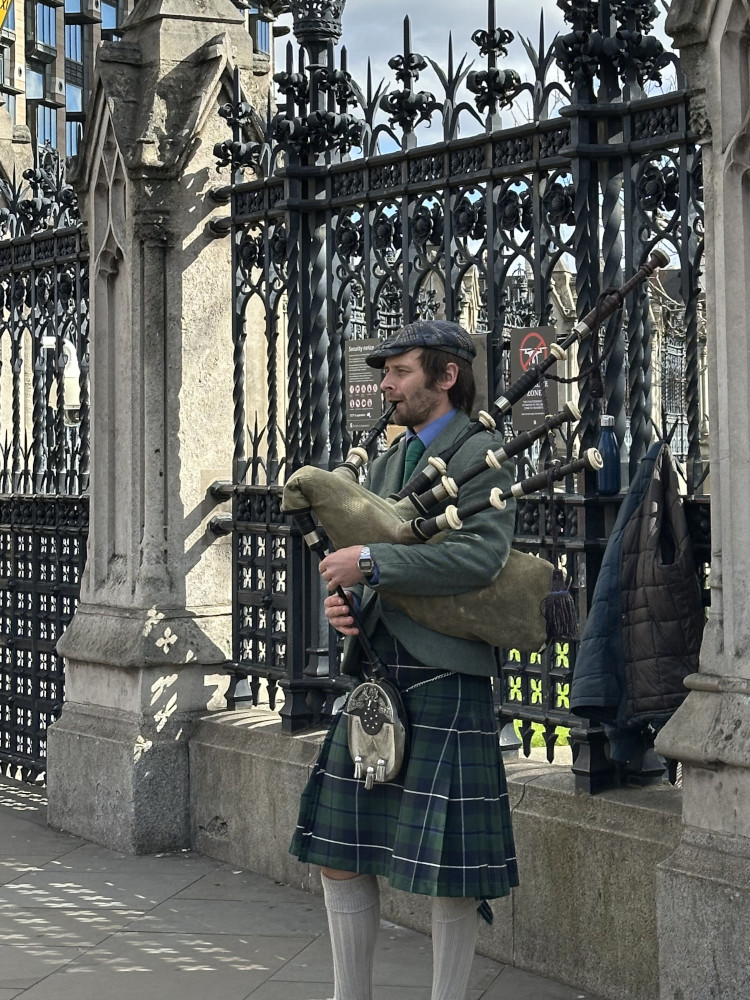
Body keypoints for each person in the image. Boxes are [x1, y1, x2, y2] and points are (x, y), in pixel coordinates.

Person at [289, 320, 519, 1000]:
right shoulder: (387, 462)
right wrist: (345, 614)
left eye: (399, 371)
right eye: (382, 371)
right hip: (379, 679)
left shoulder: (483, 453)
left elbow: (481, 558)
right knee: (339, 854)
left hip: (448, 674)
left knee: (448, 868)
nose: (384, 383)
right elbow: (365, 571)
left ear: (445, 376)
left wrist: (372, 561)